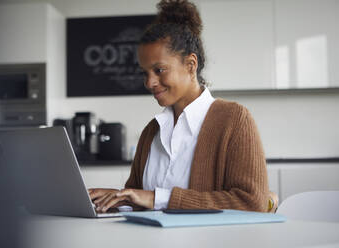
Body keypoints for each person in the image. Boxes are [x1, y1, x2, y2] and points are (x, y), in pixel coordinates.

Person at [88, 0, 271, 213]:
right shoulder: (151, 131)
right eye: (145, 73)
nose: (149, 83)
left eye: (159, 70)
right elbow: (139, 199)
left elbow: (251, 202)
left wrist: (158, 198)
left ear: (191, 65)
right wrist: (117, 200)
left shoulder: (234, 119)